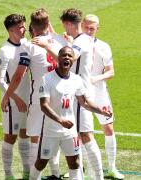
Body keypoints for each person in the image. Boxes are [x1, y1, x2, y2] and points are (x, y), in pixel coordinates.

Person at [33, 8, 104, 180]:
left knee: (86, 135)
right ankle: (78, 174)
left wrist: (46, 45)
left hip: (80, 93)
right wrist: (56, 36)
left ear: (68, 24)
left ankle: (98, 176)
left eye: (64, 25)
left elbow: (67, 58)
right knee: (75, 137)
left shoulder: (83, 40)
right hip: (74, 91)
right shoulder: (80, 39)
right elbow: (69, 49)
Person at [1, 9, 68, 180]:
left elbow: (18, 75)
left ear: (32, 27)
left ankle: (33, 177)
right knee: (54, 134)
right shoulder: (60, 41)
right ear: (48, 24)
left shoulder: (29, 46)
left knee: (35, 137)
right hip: (60, 96)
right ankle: (55, 174)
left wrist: (7, 94)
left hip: (39, 99)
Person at [29, 46, 112, 180]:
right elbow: (44, 106)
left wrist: (100, 110)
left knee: (75, 163)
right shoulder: (47, 79)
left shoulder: (76, 79)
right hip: (51, 130)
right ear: (58, 59)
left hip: (69, 131)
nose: (66, 58)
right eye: (63, 55)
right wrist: (60, 120)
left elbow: (84, 102)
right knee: (41, 163)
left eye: (69, 56)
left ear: (73, 60)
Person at [81, 14, 124, 179]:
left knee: (108, 127)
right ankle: (84, 170)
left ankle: (112, 167)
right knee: (83, 131)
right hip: (81, 92)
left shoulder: (104, 46)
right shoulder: (76, 44)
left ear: (97, 28)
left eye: (92, 28)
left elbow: (111, 71)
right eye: (86, 27)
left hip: (99, 92)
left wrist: (96, 79)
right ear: (82, 25)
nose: (89, 30)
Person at [0, 14, 30, 180]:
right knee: (11, 137)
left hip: (27, 100)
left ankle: (26, 172)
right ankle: (8, 175)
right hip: (12, 103)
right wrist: (16, 99)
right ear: (11, 30)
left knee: (25, 134)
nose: (24, 29)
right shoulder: (4, 51)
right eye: (20, 27)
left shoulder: (25, 44)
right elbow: (0, 81)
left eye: (24, 26)